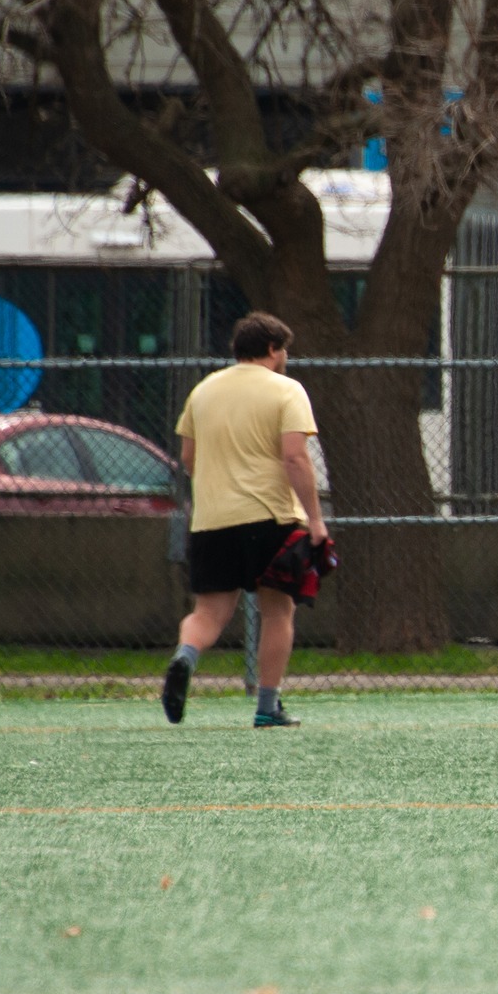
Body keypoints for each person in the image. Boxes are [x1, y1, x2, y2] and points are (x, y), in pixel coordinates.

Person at [161, 312, 328, 729]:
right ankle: (267, 707)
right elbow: (294, 457)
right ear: (273, 349)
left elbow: (188, 458)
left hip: (212, 519)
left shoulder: (203, 392)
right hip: (271, 516)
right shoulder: (287, 390)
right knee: (277, 611)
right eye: (283, 348)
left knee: (209, 612)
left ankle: (185, 657)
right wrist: (316, 520)